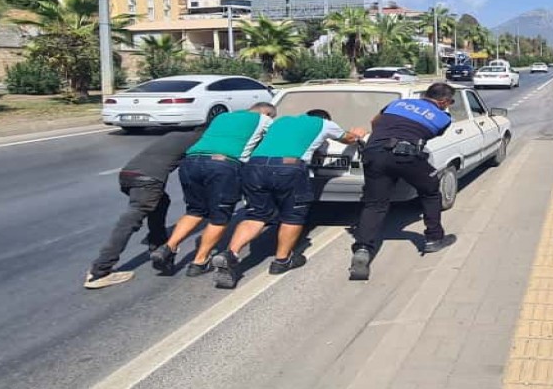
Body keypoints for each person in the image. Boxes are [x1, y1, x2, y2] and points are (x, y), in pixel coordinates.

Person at [211, 109, 366, 288]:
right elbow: (347, 139)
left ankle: (231, 254)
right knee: (293, 215)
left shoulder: (281, 121)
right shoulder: (324, 124)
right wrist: (357, 134)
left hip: (255, 166)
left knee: (256, 216)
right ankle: (282, 260)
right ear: (325, 118)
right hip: (289, 168)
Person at [150, 103, 275, 277]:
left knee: (195, 211)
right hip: (223, 165)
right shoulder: (264, 120)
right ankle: (200, 262)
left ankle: (168, 247)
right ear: (267, 113)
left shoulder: (222, 117)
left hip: (191, 161)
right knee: (220, 216)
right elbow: (273, 140)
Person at [349, 82, 457, 281]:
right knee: (431, 190)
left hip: (374, 153)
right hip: (406, 155)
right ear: (443, 101)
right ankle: (434, 238)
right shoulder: (443, 117)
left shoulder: (398, 103)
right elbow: (425, 135)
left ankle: (362, 249)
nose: (449, 105)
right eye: (450, 102)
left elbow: (375, 122)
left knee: (375, 204)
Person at [83, 126, 206, 289]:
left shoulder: (175, 134)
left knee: (161, 202)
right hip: (148, 180)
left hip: (127, 175)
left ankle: (157, 245)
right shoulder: (200, 141)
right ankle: (100, 271)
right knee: (131, 220)